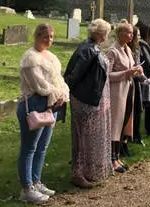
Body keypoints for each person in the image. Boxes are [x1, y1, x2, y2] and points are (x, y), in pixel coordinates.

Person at [17, 24, 69, 203]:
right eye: (45, 37)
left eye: (52, 37)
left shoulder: (51, 56)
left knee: (42, 147)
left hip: (51, 105)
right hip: (35, 103)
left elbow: (59, 79)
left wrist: (63, 93)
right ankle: (27, 187)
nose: (49, 40)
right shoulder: (30, 58)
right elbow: (40, 85)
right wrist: (57, 93)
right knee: (29, 147)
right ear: (37, 36)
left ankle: (36, 180)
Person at [64, 19, 112, 189]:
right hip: (84, 100)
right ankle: (79, 173)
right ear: (100, 33)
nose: (108, 35)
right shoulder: (87, 49)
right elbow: (74, 75)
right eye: (106, 32)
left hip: (93, 99)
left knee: (91, 137)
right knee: (83, 137)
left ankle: (91, 171)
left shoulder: (94, 47)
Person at [106, 22, 142, 172]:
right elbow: (107, 75)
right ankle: (112, 159)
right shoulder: (112, 51)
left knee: (124, 122)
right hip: (117, 92)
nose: (131, 35)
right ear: (119, 33)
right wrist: (126, 73)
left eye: (132, 33)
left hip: (128, 90)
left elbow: (130, 67)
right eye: (128, 32)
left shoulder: (128, 49)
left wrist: (137, 70)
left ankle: (117, 155)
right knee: (115, 123)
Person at [129, 26, 150, 144]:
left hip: (140, 81)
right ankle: (133, 135)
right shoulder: (133, 48)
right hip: (135, 82)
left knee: (138, 109)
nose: (139, 37)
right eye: (138, 35)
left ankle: (135, 134)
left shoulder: (139, 47)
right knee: (135, 110)